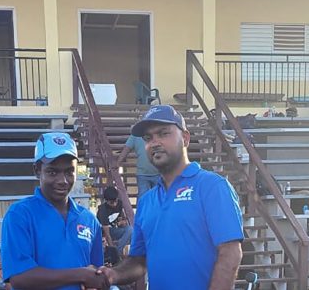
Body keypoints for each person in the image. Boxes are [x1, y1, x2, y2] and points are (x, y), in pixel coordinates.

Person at [97, 105, 244, 290]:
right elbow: (139, 261)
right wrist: (113, 274)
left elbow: (230, 252)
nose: (154, 142)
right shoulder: (146, 201)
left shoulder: (212, 187)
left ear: (185, 138)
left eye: (163, 133)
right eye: (148, 138)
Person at [1, 132, 109, 290]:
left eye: (69, 172)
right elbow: (19, 278)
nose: (63, 181)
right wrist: (80, 274)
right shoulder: (19, 215)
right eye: (52, 172)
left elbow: (94, 274)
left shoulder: (89, 220)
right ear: (37, 170)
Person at [97, 186, 133, 256]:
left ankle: (119, 250)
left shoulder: (119, 203)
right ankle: (116, 252)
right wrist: (112, 249)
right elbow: (107, 235)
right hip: (104, 232)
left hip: (116, 229)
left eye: (116, 201)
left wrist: (122, 222)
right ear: (106, 201)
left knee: (132, 232)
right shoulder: (102, 210)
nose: (114, 204)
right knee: (130, 231)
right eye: (112, 202)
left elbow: (122, 219)